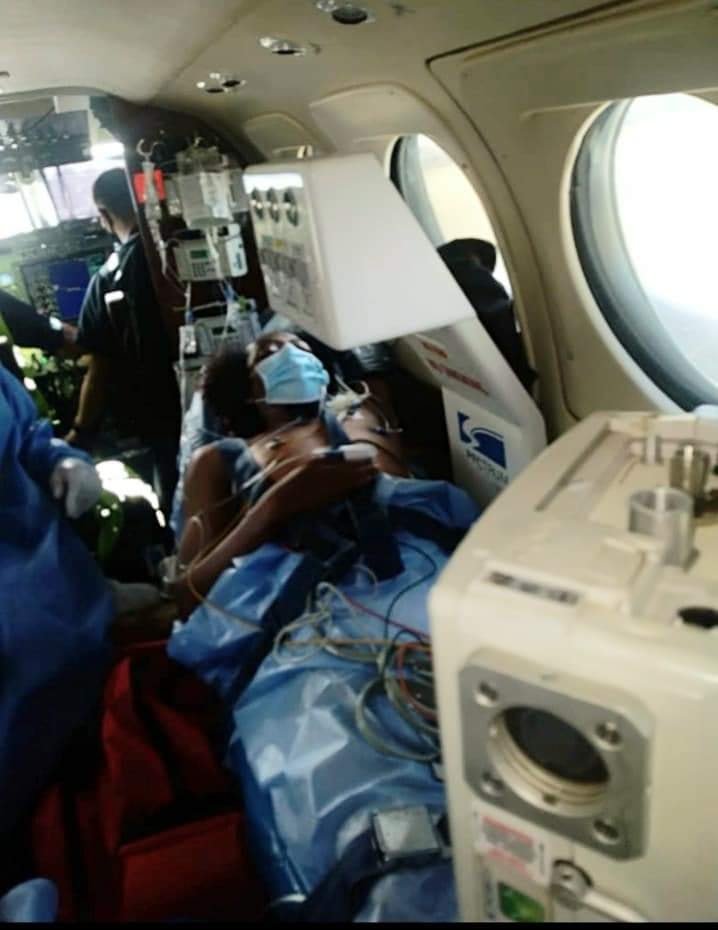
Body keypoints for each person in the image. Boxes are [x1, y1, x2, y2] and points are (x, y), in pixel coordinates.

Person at [173, 331, 409, 616]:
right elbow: (187, 596)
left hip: (411, 575)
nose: (294, 357)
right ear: (247, 389)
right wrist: (273, 507)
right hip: (311, 613)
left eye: (303, 350)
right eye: (269, 354)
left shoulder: (361, 414)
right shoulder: (219, 460)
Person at [66, 168, 181, 517]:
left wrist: (80, 432)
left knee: (177, 498)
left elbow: (100, 364)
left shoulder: (106, 277)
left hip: (159, 416)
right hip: (213, 401)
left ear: (104, 214)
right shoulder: (181, 246)